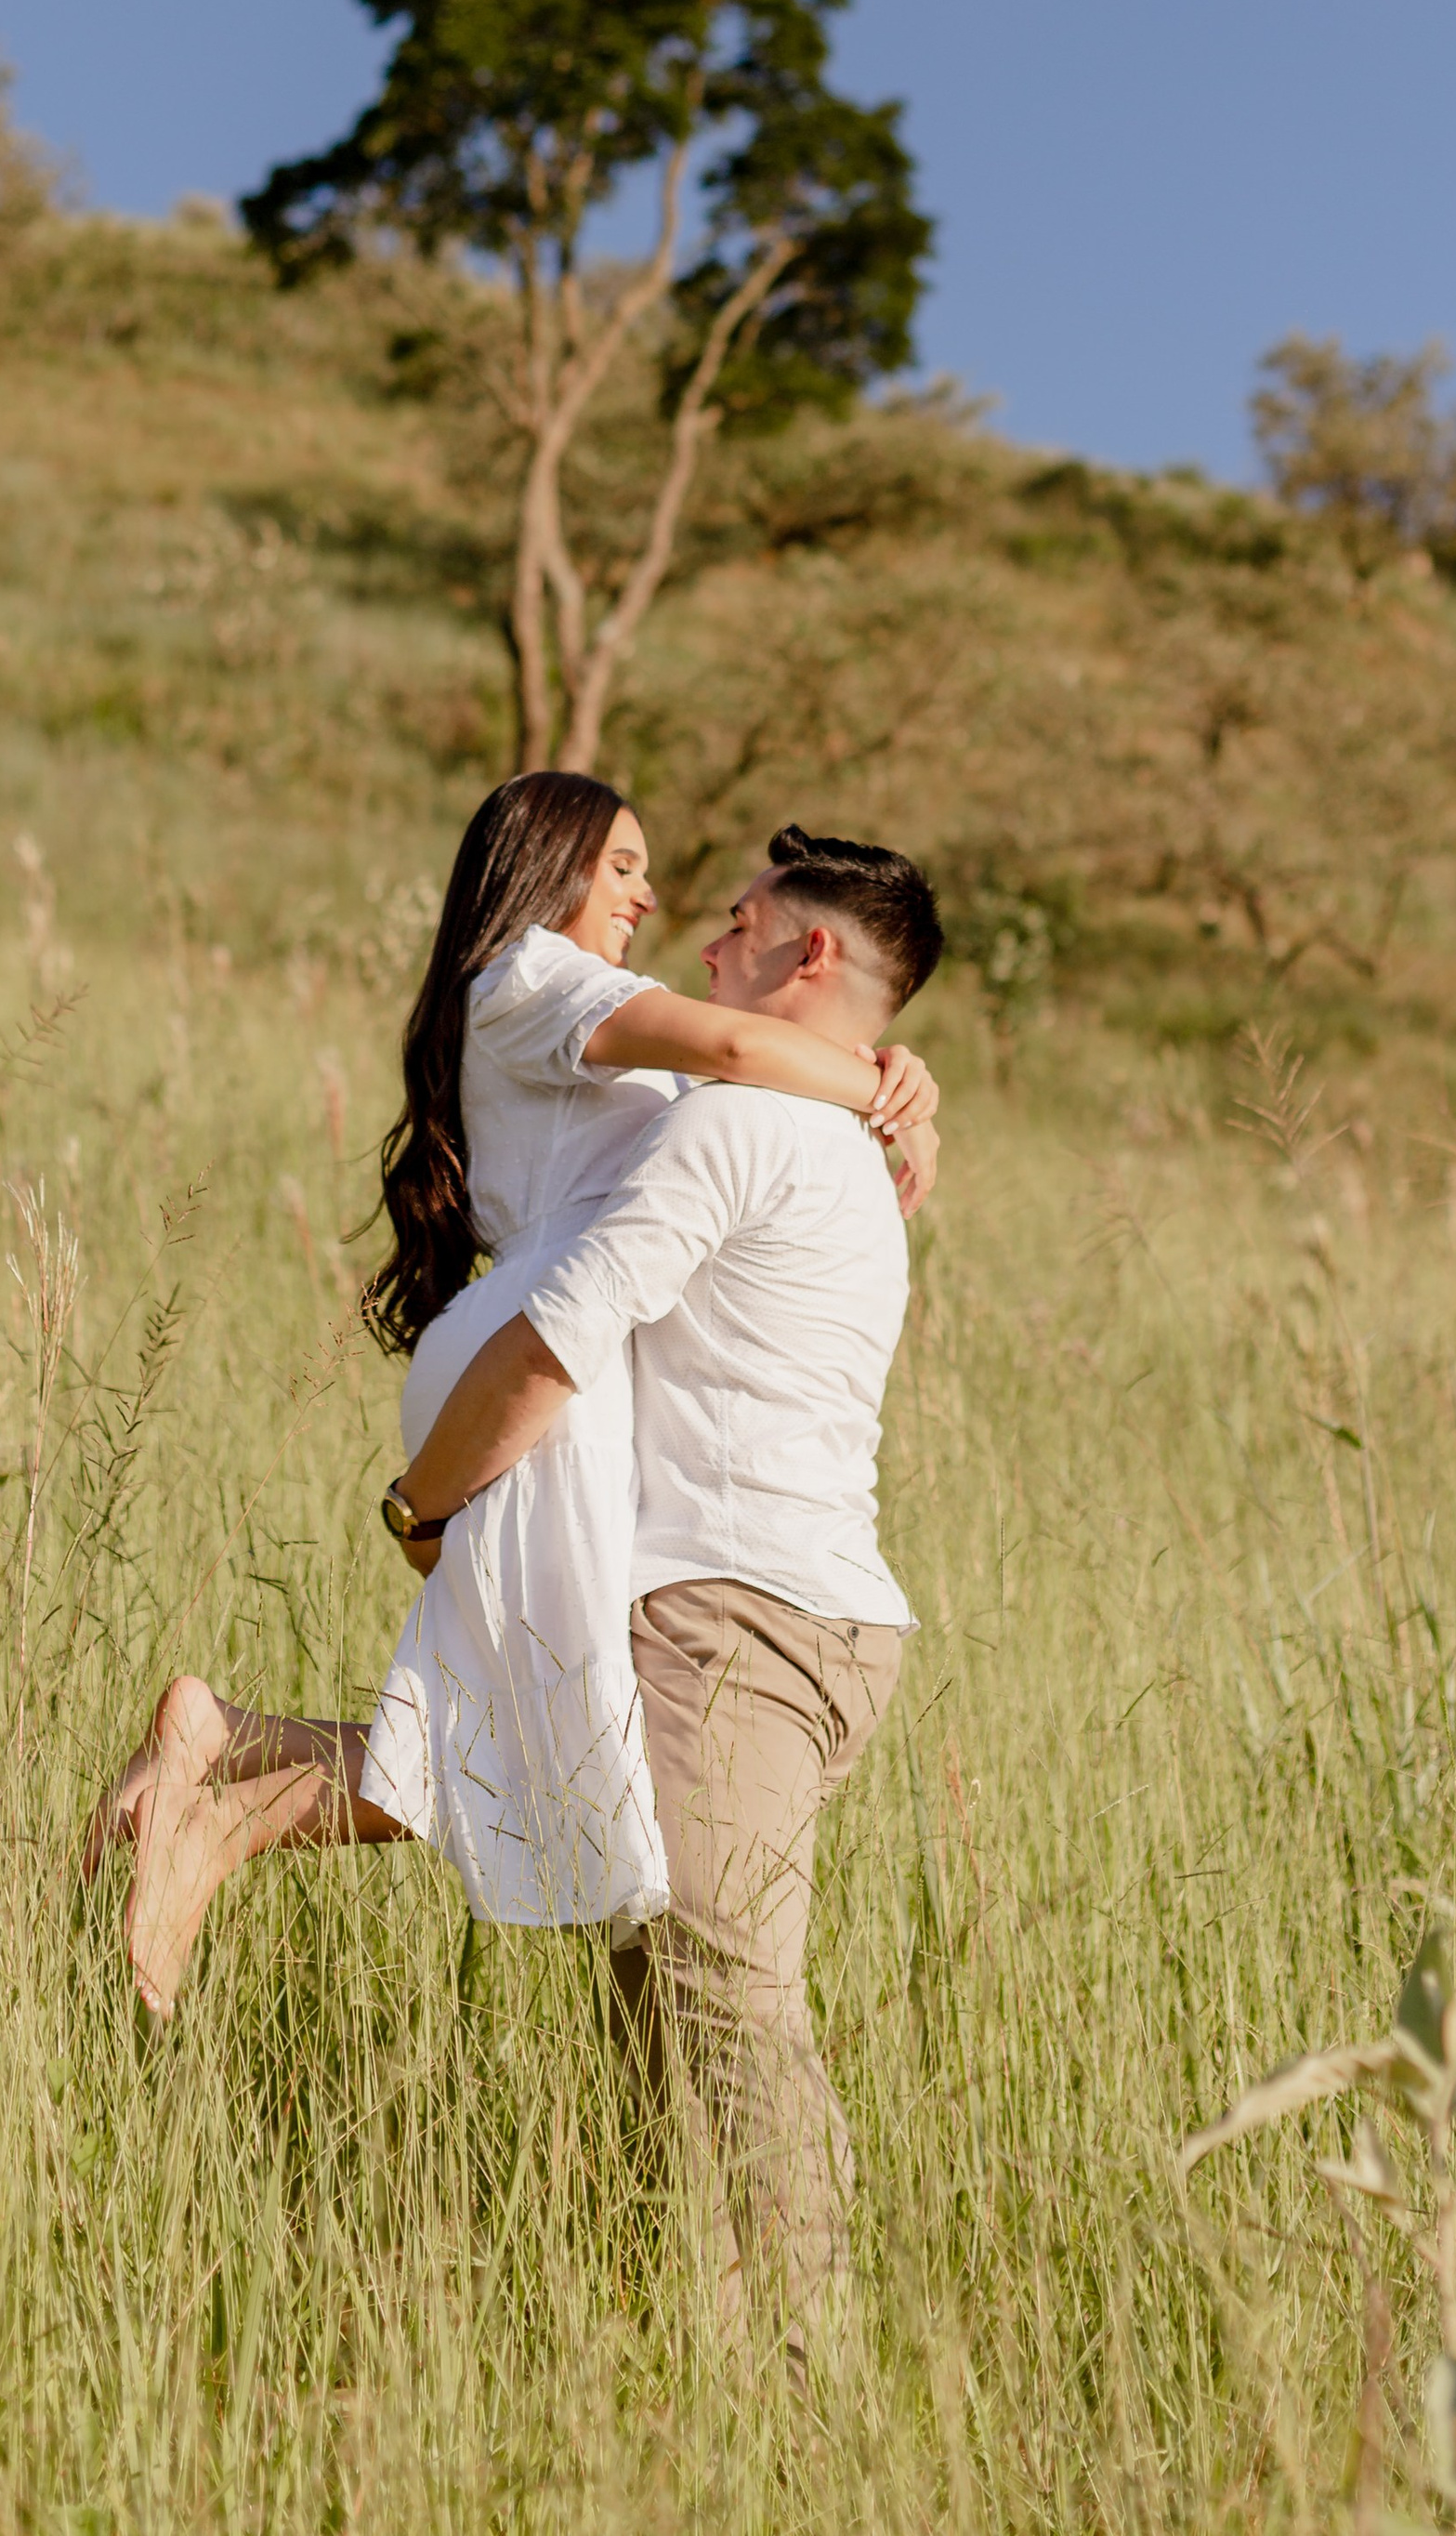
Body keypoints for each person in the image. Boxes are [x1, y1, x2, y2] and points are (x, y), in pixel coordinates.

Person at [87, 773, 937, 2017]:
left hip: (536, 1347)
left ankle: (224, 1751)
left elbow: (742, 1074)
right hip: (541, 1361)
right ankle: (219, 1818)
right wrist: (883, 1091)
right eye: (624, 866)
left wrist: (896, 1070)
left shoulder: (577, 1004)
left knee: (538, 1740)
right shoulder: (539, 978)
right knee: (534, 1744)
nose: (653, 897)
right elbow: (741, 1050)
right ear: (550, 864)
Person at [386, 824, 942, 2385]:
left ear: (811, 953)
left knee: (728, 2018)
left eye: (744, 921)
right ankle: (691, 2371)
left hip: (730, 1627)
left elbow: (557, 1344)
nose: (706, 939)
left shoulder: (740, 1126)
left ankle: (809, 2390)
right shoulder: (850, 1148)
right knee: (670, 2024)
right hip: (822, 1623)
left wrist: (423, 1505)